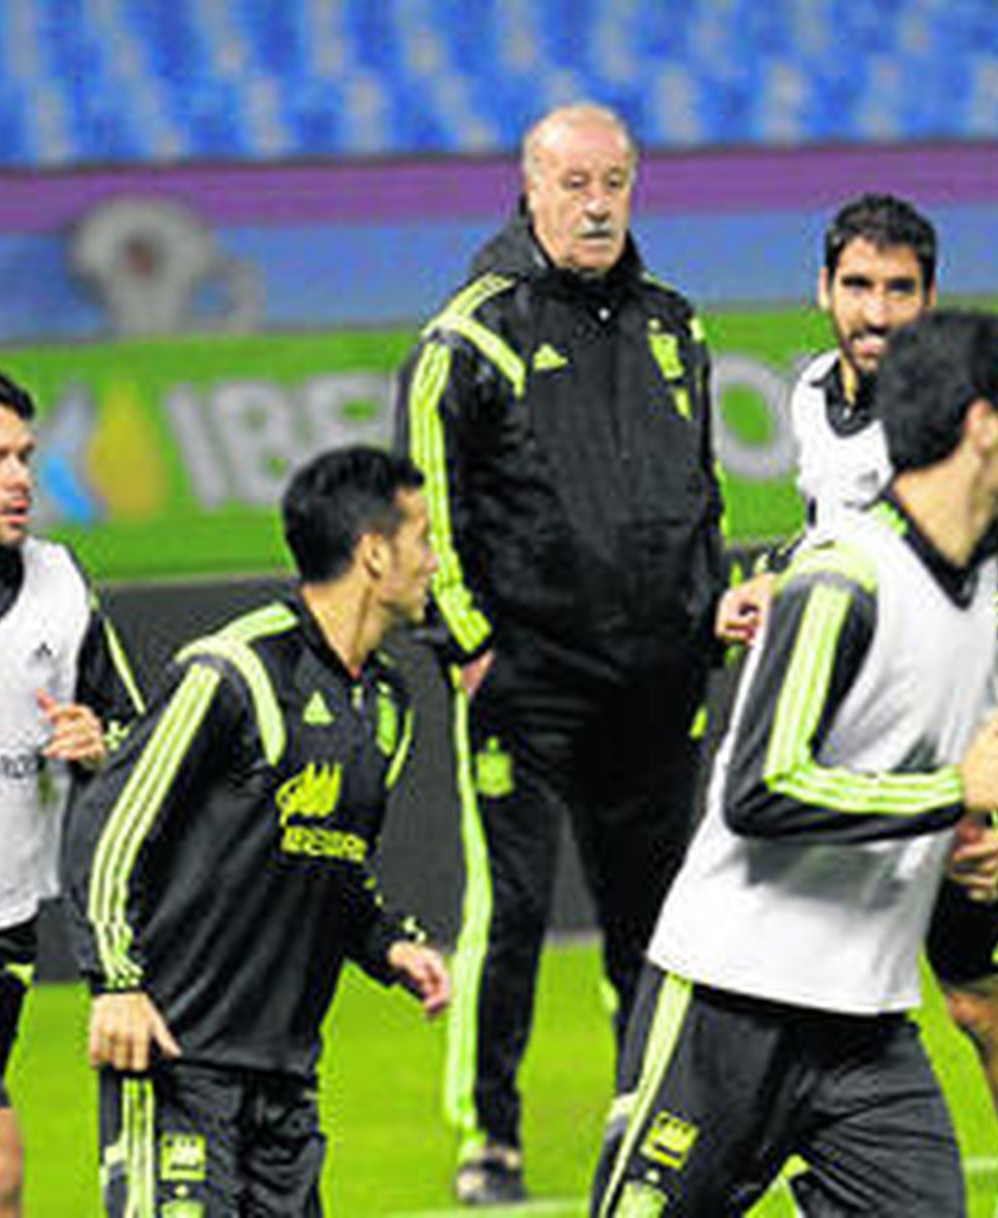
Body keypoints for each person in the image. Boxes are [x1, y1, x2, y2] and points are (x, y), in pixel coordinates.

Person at [591, 309, 998, 1216]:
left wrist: (959, 845)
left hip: (866, 1029)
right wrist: (953, 792)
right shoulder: (842, 578)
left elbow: (897, 780)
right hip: (729, 1005)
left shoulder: (976, 593)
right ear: (981, 426)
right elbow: (762, 789)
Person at [394, 101, 764, 1205]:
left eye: (614, 181)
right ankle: (488, 1138)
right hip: (528, 682)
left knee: (655, 918)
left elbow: (701, 492)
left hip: (657, 678)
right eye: (574, 183)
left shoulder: (674, 325)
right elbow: (429, 507)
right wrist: (467, 648)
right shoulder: (470, 333)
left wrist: (704, 612)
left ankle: (639, 1101)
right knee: (506, 914)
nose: (597, 203)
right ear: (531, 187)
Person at [785, 192, 998, 1217]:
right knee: (805, 989)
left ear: (930, 296)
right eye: (857, 287)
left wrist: (920, 601)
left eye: (898, 289)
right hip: (850, 761)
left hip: (967, 756)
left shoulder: (970, 417)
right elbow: (826, 542)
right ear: (823, 291)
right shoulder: (807, 397)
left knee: (978, 1003)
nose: (875, 311)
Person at [62, 445, 452, 1217]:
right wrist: (116, 983)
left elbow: (330, 861)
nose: (438, 563)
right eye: (425, 540)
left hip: (285, 1086)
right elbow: (110, 821)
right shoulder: (232, 671)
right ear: (375, 553)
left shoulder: (388, 705)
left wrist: (386, 944)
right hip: (177, 1064)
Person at [0, 357, 142, 1217]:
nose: (20, 477)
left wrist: (99, 744)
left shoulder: (62, 586)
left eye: (24, 455)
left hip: (4, 930)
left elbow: (143, 744)